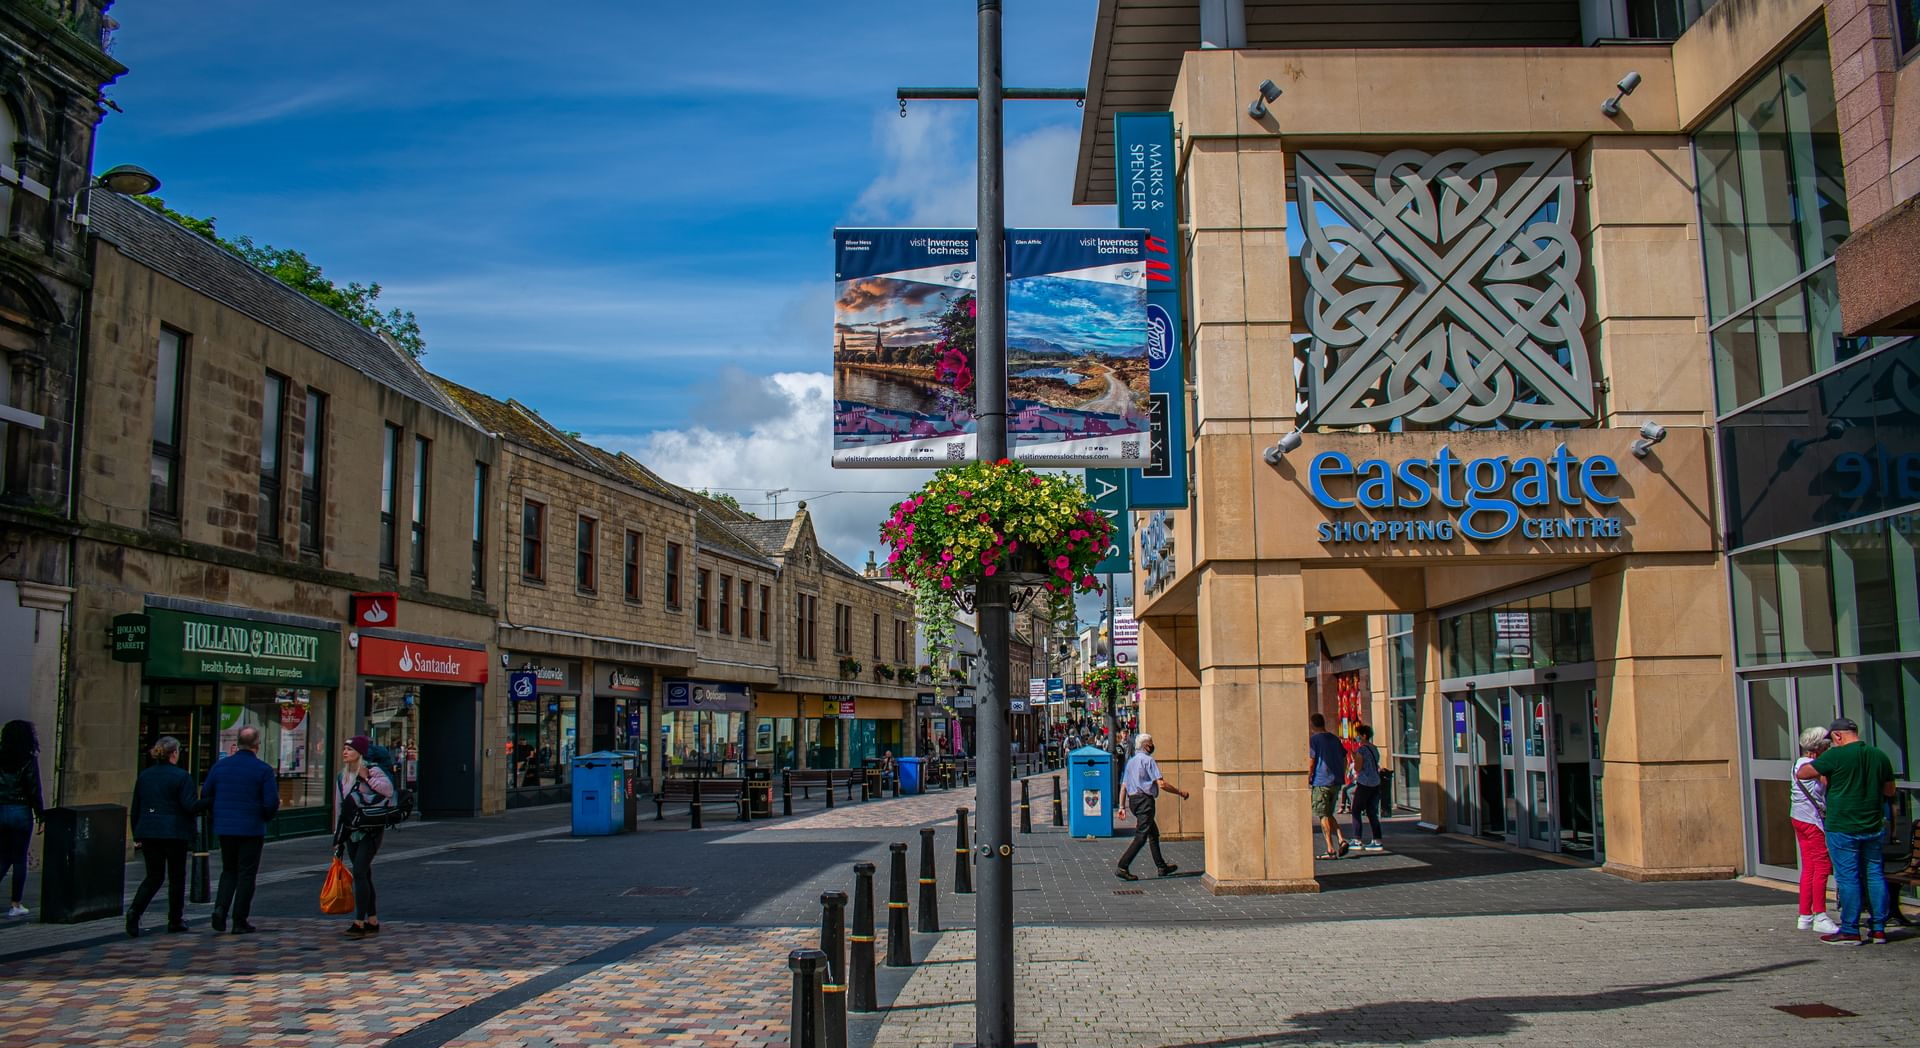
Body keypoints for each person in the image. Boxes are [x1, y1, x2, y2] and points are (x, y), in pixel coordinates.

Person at [1797, 717, 1896, 945]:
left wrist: (1815, 761)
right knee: (1874, 874)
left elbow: (1803, 774)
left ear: (1838, 736)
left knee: (1848, 877)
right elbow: (1889, 790)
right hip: (1872, 825)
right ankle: (1879, 928)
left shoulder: (1835, 755)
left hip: (1842, 826)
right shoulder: (1879, 755)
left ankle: (1850, 929)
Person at [201, 724, 279, 933]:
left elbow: (206, 793)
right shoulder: (263, 769)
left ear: (237, 743)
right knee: (246, 874)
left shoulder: (220, 766)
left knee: (229, 870)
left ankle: (220, 908)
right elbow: (271, 803)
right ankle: (239, 919)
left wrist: (217, 814)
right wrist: (264, 816)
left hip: (226, 828)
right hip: (251, 828)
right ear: (257, 745)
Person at [126, 736, 201, 936]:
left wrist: (137, 832)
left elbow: (136, 807)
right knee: (176, 877)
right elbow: (189, 806)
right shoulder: (182, 777)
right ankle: (175, 919)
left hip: (149, 831)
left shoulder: (145, 776)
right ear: (174, 753)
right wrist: (207, 803)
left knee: (154, 876)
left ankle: (134, 911)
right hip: (174, 832)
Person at [336, 735, 395, 938]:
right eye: (344, 749)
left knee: (360, 872)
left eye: (350, 749)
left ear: (360, 753)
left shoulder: (372, 770)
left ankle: (358, 921)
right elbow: (340, 806)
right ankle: (373, 919)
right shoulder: (341, 776)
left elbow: (388, 790)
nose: (345, 752)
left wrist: (366, 777)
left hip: (370, 830)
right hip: (351, 830)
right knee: (364, 874)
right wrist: (338, 835)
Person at [1115, 732, 1188, 881]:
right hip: (1145, 802)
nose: (1152, 746)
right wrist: (1180, 792)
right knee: (1141, 836)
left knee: (1153, 834)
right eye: (1151, 743)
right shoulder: (1148, 761)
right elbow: (1161, 784)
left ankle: (1162, 867)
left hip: (1133, 801)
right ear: (1146, 746)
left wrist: (1122, 807)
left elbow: (1124, 786)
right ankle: (1123, 866)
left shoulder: (1131, 762)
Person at [1788, 726, 1839, 934]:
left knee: (1808, 868)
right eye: (1827, 745)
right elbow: (1826, 784)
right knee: (1822, 867)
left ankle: (1804, 916)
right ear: (1818, 748)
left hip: (1798, 817)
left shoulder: (1798, 763)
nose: (1829, 748)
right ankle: (1820, 914)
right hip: (1812, 821)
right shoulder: (1814, 766)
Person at [0, 720, 46, 918]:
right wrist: (40, 814)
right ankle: (15, 903)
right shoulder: (28, 759)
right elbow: (34, 788)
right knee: (19, 858)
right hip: (21, 810)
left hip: (1, 808)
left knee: (2, 856)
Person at [1308, 713, 1351, 859]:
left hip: (1321, 781)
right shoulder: (1334, 738)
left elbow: (1312, 760)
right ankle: (1341, 839)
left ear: (1312, 724)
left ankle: (1330, 849)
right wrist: (1342, 773)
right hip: (1336, 781)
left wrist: (1308, 776)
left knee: (1323, 815)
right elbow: (1344, 758)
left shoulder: (1314, 740)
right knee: (1328, 813)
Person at [1349, 724, 1385, 852]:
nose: (1356, 737)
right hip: (1376, 782)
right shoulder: (1374, 748)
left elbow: (1358, 767)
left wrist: (1354, 757)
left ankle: (1357, 838)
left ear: (1364, 736)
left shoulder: (1362, 750)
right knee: (1372, 812)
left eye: (1358, 735)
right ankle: (1377, 840)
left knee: (1356, 810)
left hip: (1364, 783)